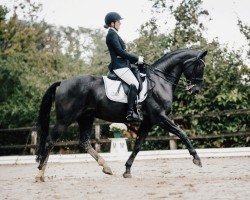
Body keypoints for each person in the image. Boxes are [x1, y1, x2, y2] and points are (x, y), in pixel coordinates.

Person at [104, 11, 143, 122]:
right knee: (134, 83)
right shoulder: (111, 34)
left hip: (124, 65)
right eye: (118, 21)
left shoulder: (114, 33)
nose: (120, 23)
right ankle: (130, 112)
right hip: (119, 67)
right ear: (112, 23)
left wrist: (135, 62)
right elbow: (120, 52)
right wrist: (136, 58)